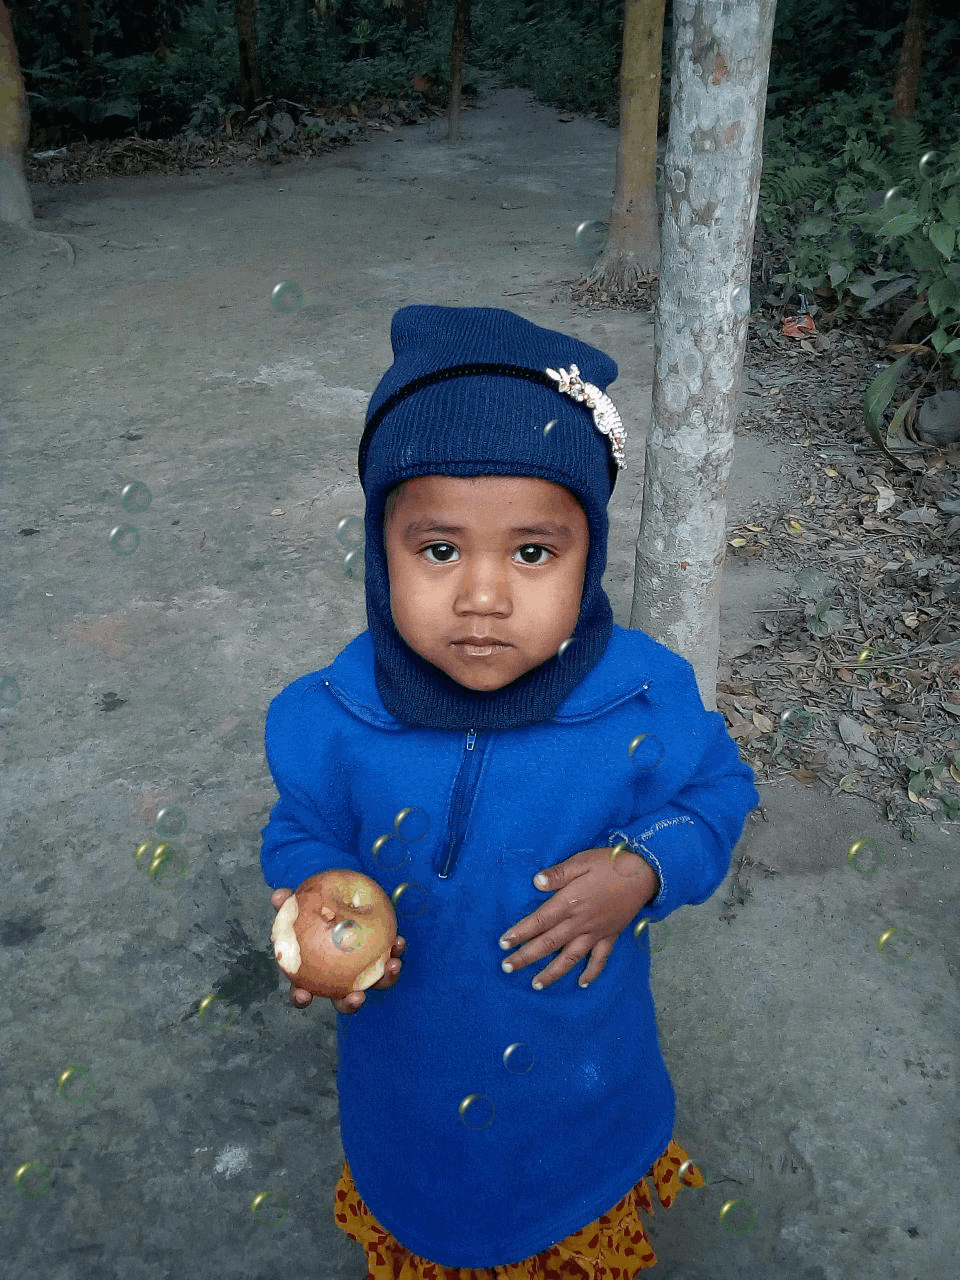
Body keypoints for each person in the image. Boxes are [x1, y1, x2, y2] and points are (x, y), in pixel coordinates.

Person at [261, 305, 759, 1278]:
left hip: (578, 1092)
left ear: (590, 554)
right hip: (407, 1095)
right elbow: (300, 827)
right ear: (381, 549)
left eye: (533, 552)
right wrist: (315, 891)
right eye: (438, 550)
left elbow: (717, 790)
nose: (482, 597)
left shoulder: (641, 696)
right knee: (428, 1206)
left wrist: (643, 868)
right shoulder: (335, 718)